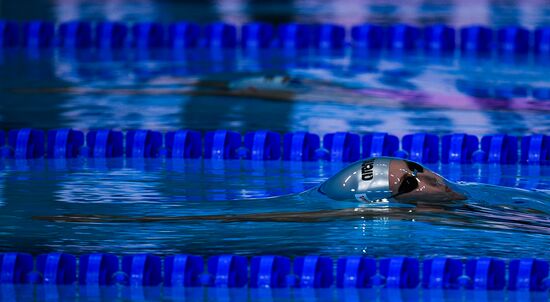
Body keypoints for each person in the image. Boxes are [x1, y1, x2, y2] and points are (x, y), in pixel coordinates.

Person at [33, 157, 550, 235]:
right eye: (408, 185)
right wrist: (113, 220)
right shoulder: (455, 224)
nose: (429, 179)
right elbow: (231, 217)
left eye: (412, 167)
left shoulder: (479, 204)